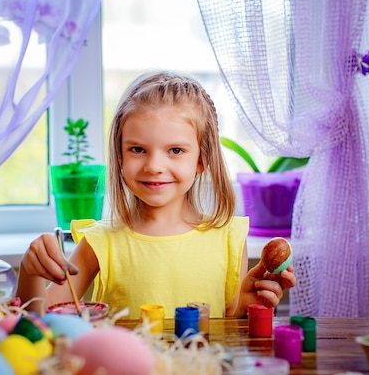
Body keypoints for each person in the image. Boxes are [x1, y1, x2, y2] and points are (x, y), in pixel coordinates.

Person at [16, 71, 296, 319]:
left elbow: (226, 326)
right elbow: (36, 322)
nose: (154, 167)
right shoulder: (99, 243)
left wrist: (244, 308)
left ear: (202, 159)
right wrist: (30, 272)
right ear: (120, 156)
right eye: (138, 149)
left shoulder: (227, 238)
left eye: (175, 150)